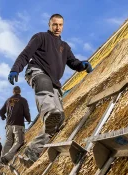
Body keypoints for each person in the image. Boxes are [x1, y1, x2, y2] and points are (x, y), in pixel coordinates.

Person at [7, 14, 93, 163]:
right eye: (54, 24)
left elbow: (73, 62)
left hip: (54, 82)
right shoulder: (40, 37)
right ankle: (48, 112)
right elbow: (26, 54)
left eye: (60, 25)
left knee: (58, 119)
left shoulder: (64, 46)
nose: (57, 27)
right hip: (37, 71)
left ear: (63, 26)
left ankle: (32, 151)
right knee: (44, 85)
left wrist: (82, 65)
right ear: (49, 25)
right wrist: (15, 68)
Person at [0, 86, 31, 165]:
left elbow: (1, 111)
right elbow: (26, 111)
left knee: (8, 141)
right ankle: (6, 158)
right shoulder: (23, 100)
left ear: (13, 92)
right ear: (19, 91)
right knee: (19, 141)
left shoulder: (8, 101)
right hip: (18, 123)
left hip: (8, 124)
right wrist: (28, 119)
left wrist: (3, 117)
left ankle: (2, 158)